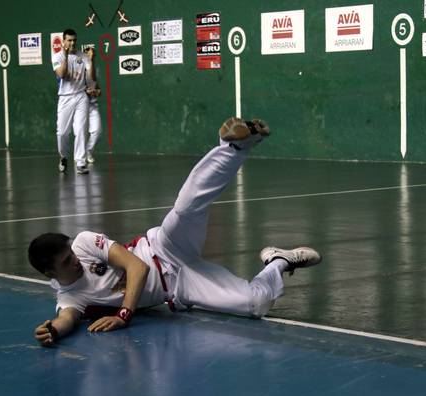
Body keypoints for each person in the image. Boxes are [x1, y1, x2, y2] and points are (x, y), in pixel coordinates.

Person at [29, 117, 322, 346]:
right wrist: (52, 331)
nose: (75, 261)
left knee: (186, 207)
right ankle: (277, 262)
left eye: (71, 255)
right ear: (51, 275)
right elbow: (67, 318)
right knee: (255, 303)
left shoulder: (82, 243)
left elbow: (136, 266)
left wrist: (123, 314)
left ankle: (234, 146)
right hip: (180, 286)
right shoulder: (70, 298)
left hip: (163, 248)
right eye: (67, 263)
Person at [52, 29, 95, 175]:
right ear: (63, 41)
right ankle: (63, 157)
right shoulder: (57, 57)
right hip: (65, 98)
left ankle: (81, 162)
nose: (72, 43)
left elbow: (92, 77)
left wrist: (91, 60)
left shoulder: (82, 56)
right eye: (69, 40)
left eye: (74, 40)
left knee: (81, 129)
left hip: (81, 96)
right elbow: (62, 74)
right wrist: (65, 55)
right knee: (62, 133)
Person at [85, 71, 102, 164]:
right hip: (80, 106)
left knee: (97, 131)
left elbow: (99, 90)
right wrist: (85, 91)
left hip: (93, 106)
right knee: (80, 133)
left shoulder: (94, 72)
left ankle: (88, 151)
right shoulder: (77, 69)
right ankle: (79, 156)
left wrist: (95, 92)